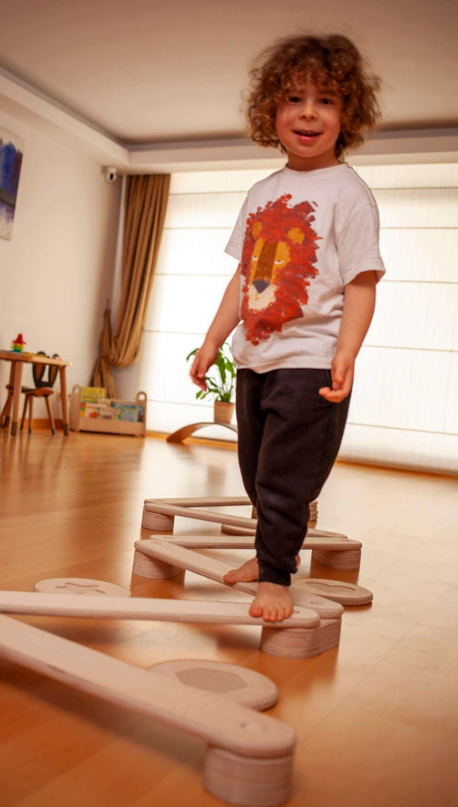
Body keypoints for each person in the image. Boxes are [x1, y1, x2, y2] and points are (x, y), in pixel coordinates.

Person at [190, 33, 385, 623]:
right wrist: (212, 340)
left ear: (347, 115)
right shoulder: (262, 191)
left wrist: (346, 350)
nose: (307, 112)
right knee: (254, 469)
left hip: (310, 359)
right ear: (270, 111)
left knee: (284, 477)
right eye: (294, 99)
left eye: (325, 100)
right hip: (256, 357)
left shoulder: (348, 193)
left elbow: (361, 281)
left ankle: (276, 575)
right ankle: (268, 551)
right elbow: (242, 278)